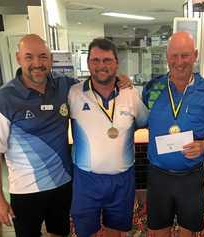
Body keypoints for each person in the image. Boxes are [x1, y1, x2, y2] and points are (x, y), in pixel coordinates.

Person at [0, 34, 131, 237]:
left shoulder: (65, 87)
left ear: (51, 59)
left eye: (43, 56)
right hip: (25, 191)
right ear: (18, 58)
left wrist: (120, 79)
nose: (37, 63)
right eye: (29, 57)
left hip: (63, 185)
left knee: (60, 234)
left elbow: (97, 81)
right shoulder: (2, 100)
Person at [142, 31, 204, 237]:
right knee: (159, 230)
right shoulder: (152, 89)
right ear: (167, 56)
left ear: (195, 55)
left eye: (185, 55)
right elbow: (137, 117)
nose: (179, 62)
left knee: (188, 230)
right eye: (174, 55)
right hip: (158, 176)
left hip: (191, 178)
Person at [69, 38, 148, 237]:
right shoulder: (73, 93)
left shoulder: (130, 93)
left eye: (107, 60)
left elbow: (144, 122)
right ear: (88, 63)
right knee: (86, 232)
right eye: (95, 60)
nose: (101, 65)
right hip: (86, 180)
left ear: (116, 63)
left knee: (116, 231)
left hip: (122, 180)